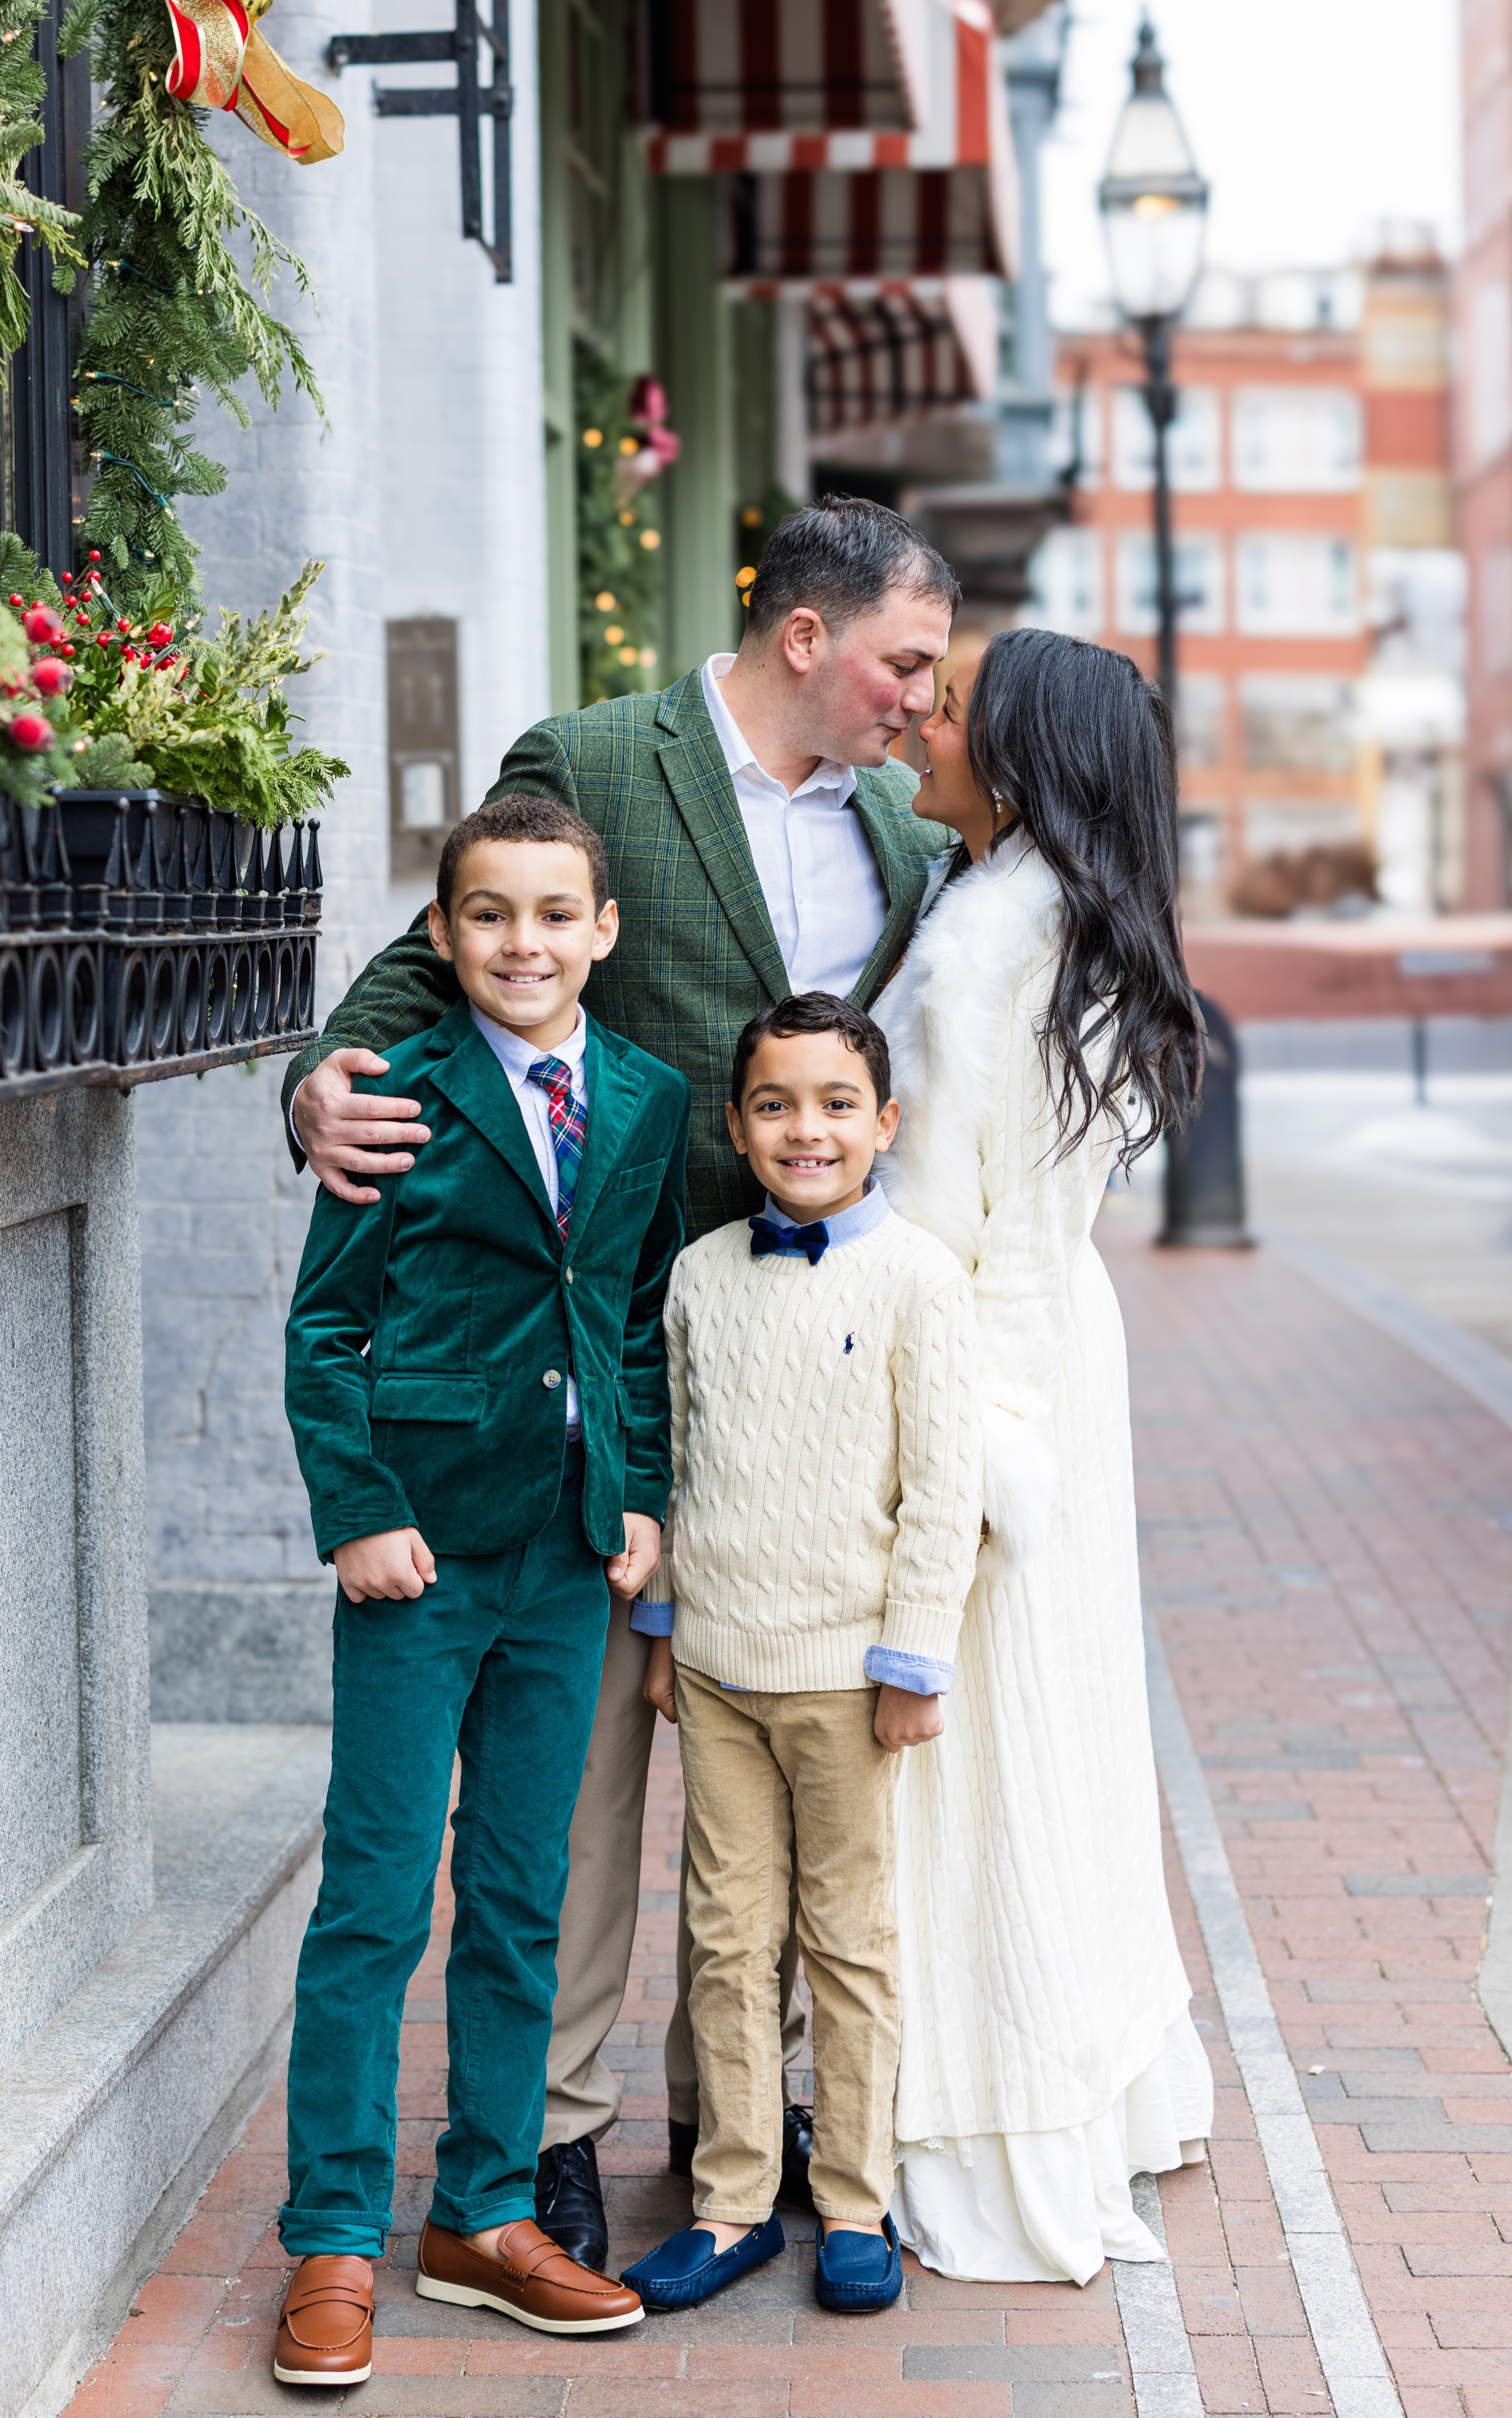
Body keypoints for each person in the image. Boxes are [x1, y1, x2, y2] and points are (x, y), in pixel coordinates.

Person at [282, 498, 961, 2269]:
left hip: (806, 1364)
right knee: (573, 1787)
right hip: (599, 1334)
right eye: (902, 660)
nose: (919, 697)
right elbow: (426, 960)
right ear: (807, 637)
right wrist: (315, 1086)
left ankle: (758, 2126)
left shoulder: (900, 817)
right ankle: (549, 2138)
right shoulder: (593, 758)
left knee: (789, 1750)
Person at [272, 795, 689, 2385]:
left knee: (521, 1896)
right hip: (420, 1558)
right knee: (375, 1904)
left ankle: (486, 2214)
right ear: (440, 937)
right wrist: (356, 1510)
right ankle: (329, 2238)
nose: (521, 943)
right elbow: (324, 1327)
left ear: (601, 932)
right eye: (487, 915)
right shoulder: (396, 1092)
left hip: (565, 1559)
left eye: (550, 914)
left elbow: (632, 1317)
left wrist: (638, 1491)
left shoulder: (643, 1099)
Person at [867, 627, 1215, 2285]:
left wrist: (940, 1454)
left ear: (1016, 755)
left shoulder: (984, 933)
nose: (915, 728)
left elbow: (930, 1213)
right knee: (1060, 1736)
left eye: (945, 709)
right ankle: (1093, 2077)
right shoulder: (1070, 919)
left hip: (981, 1368)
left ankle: (986, 2114)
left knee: (974, 1758)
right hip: (1056, 1352)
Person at [617, 993, 982, 2318]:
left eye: (837, 1105)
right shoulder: (701, 1274)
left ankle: (853, 2201)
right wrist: (662, 1637)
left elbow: (944, 1489)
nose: (805, 1129)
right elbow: (684, 1465)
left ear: (885, 1123)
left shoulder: (919, 1280)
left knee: (848, 1941)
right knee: (725, 1937)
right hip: (717, 1664)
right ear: (737, 1124)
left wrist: (913, 1661)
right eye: (775, 1104)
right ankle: (729, 2204)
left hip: (845, 1678)